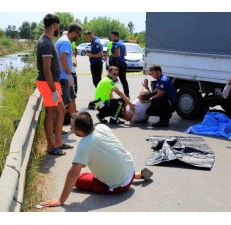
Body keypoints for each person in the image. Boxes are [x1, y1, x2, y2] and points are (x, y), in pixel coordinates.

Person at [40, 112, 153, 207]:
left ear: (78, 132)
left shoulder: (84, 144)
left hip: (119, 186)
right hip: (130, 169)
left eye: (71, 127)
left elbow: (74, 172)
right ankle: (136, 175)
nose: (70, 128)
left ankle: (125, 179)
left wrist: (60, 200)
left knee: (78, 180)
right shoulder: (102, 127)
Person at [35, 14, 66, 155]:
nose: (57, 30)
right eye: (57, 27)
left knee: (61, 111)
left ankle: (58, 142)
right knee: (50, 113)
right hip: (49, 84)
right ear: (54, 25)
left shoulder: (46, 40)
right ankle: (50, 146)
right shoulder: (46, 43)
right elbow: (46, 69)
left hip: (52, 83)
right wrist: (53, 90)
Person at [55, 23, 82, 132]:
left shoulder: (62, 40)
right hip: (64, 77)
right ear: (74, 32)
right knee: (63, 105)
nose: (78, 37)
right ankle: (58, 129)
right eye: (78, 35)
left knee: (70, 100)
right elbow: (62, 58)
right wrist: (69, 73)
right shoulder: (66, 42)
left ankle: (74, 124)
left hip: (64, 76)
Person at [110, 31, 129, 97]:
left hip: (117, 64)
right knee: (123, 80)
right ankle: (127, 95)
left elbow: (118, 54)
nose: (111, 37)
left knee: (112, 79)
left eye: (112, 36)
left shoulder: (116, 44)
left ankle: (109, 95)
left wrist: (110, 55)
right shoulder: (122, 44)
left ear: (116, 36)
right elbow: (125, 54)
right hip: (123, 63)